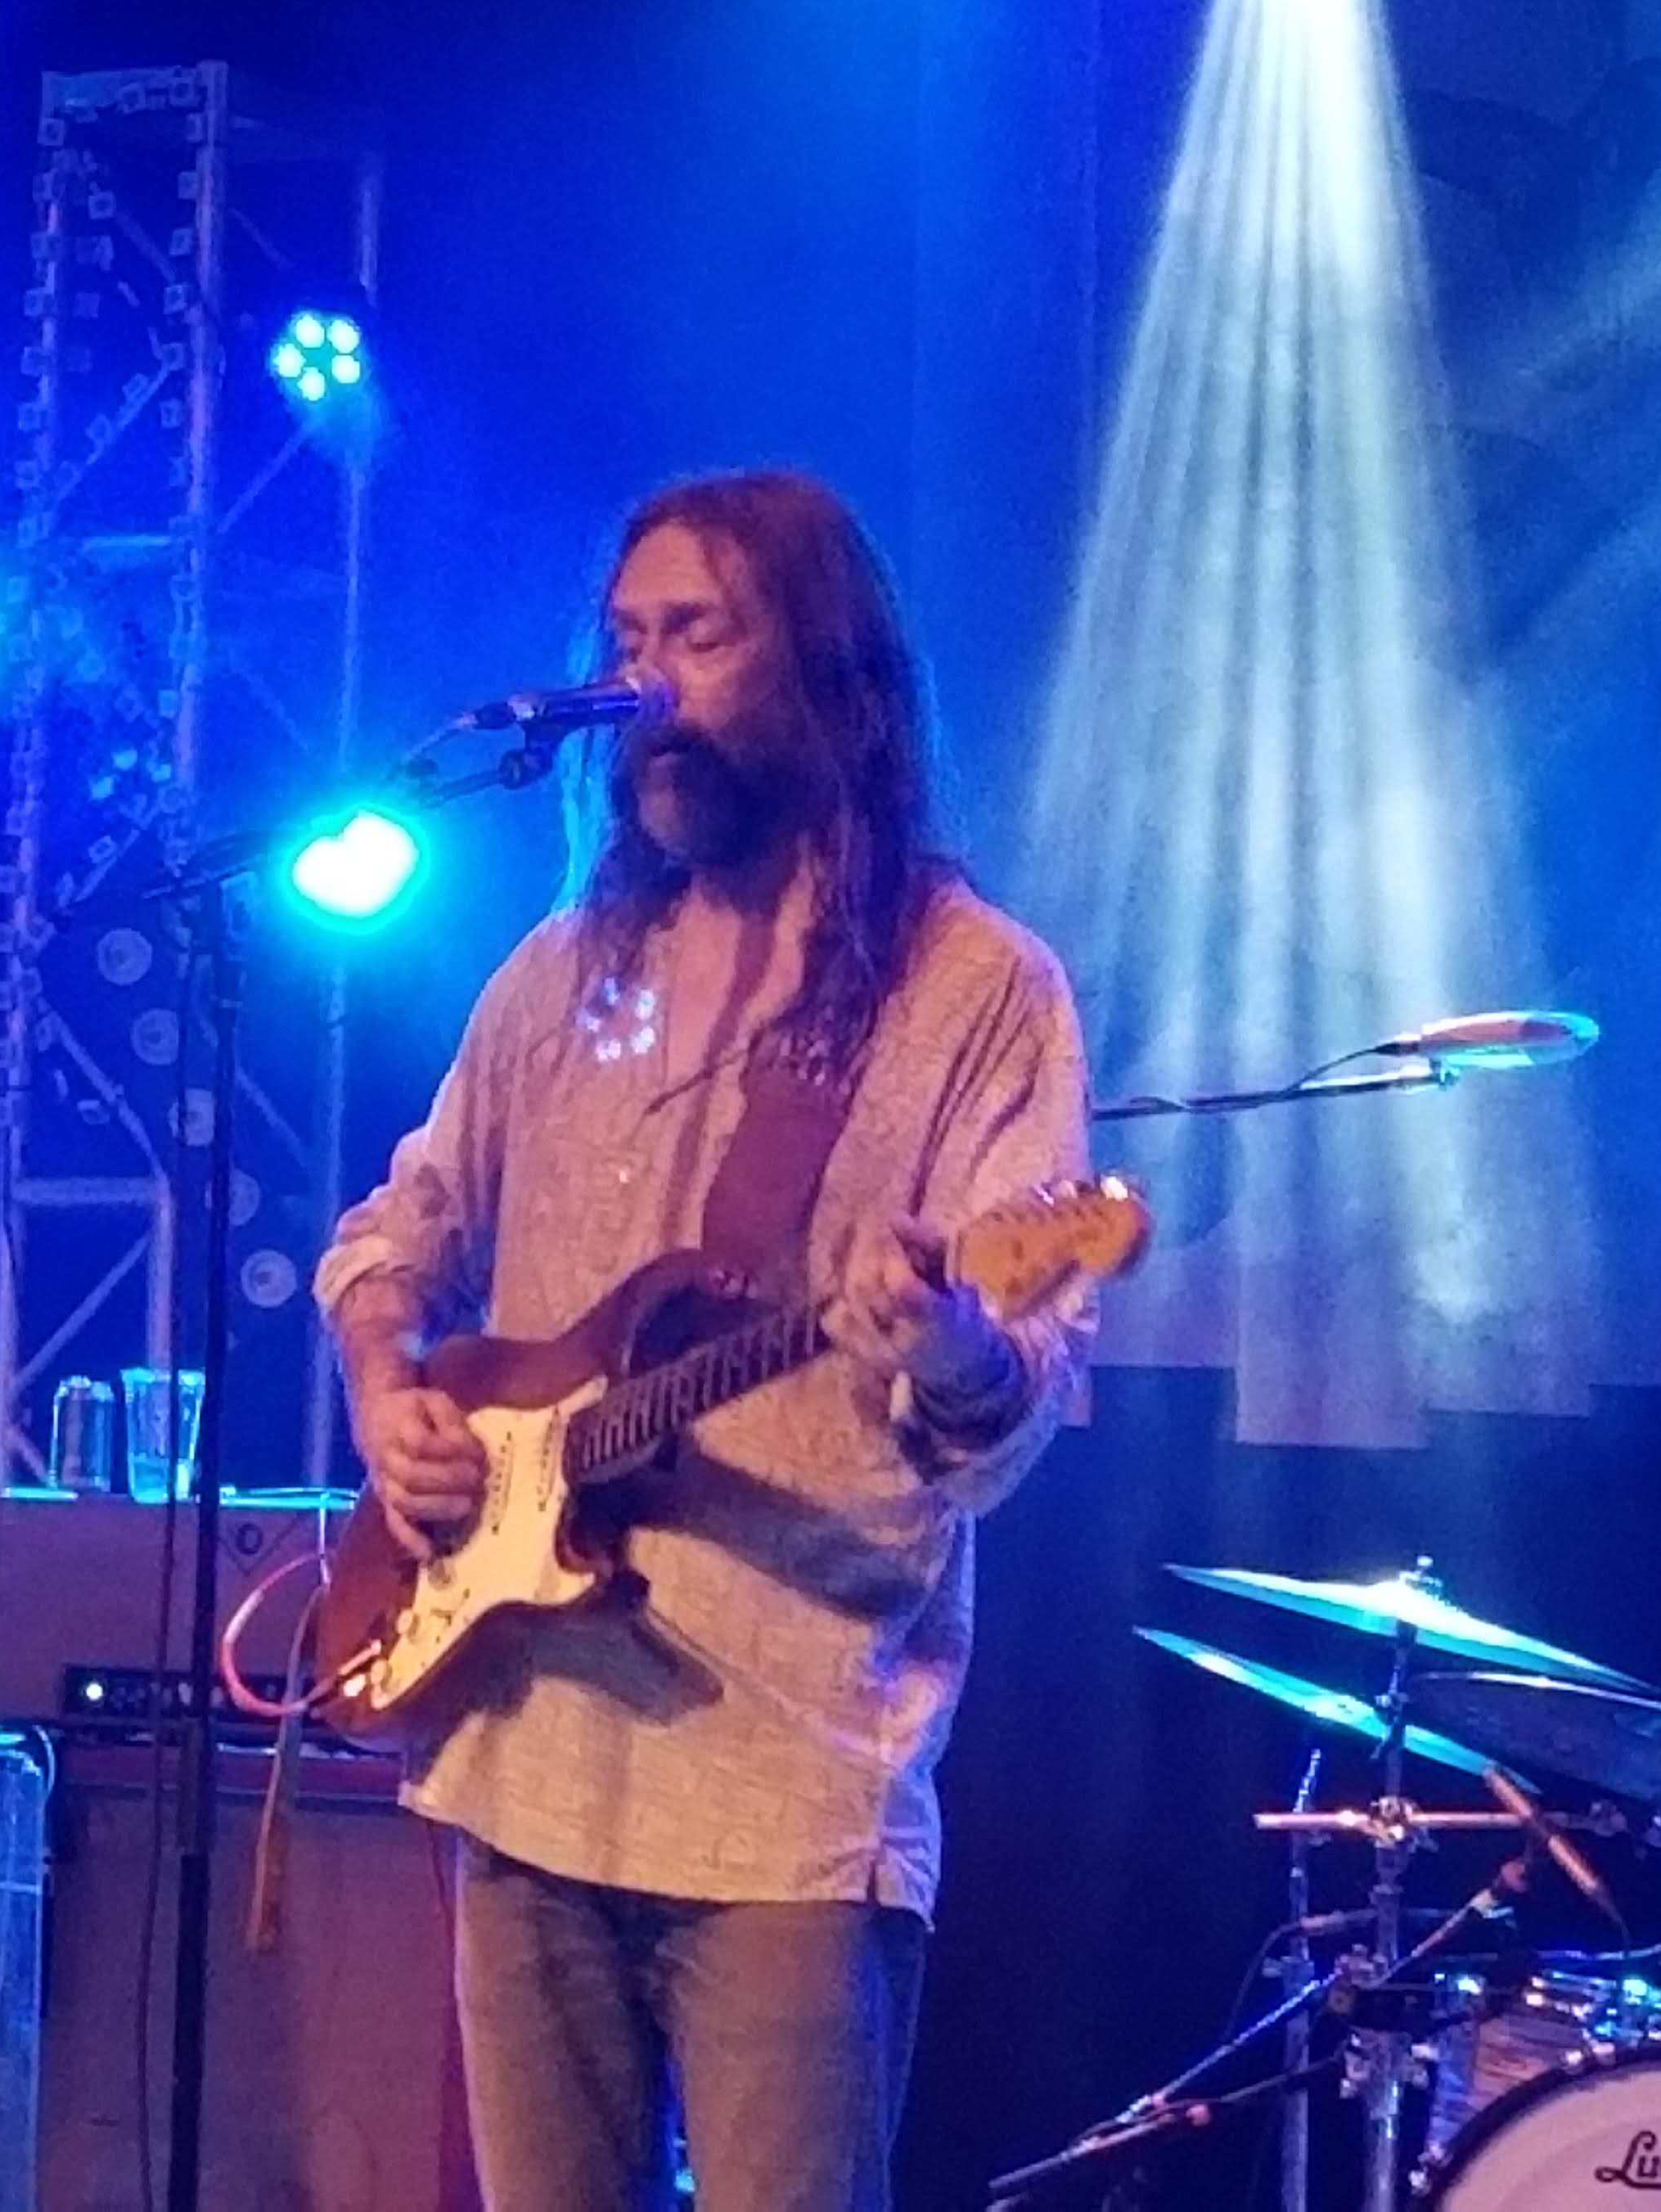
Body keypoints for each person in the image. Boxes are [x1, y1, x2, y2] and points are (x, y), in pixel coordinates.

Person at [316, 471, 1094, 2212]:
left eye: (700, 637)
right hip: (518, 1738)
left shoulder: (976, 989)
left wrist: (950, 1335)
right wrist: (386, 1391)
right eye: (627, 640)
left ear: (831, 674)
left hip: (784, 1780)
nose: (646, 684)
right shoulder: (564, 973)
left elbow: (1016, 1398)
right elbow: (394, 1231)